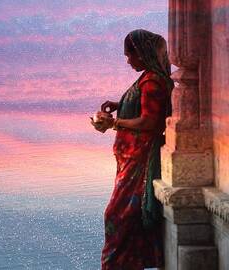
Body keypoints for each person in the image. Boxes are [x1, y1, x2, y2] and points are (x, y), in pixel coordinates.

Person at [91, 29, 174, 270]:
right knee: (120, 216)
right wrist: (120, 105)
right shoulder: (147, 77)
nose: (128, 60)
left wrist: (113, 123)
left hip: (140, 160)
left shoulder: (152, 81)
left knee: (116, 216)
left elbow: (151, 122)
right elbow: (143, 107)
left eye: (130, 55)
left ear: (142, 53)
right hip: (130, 159)